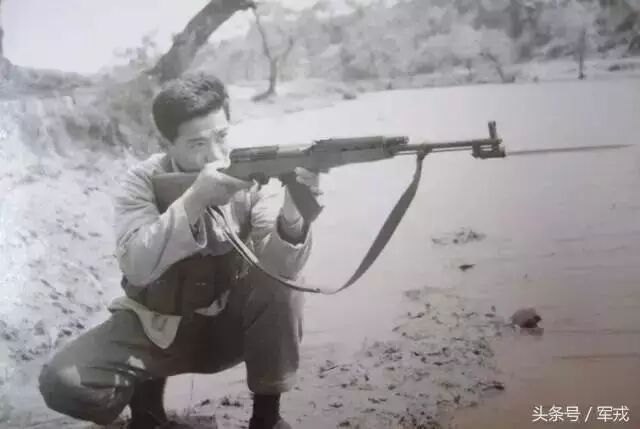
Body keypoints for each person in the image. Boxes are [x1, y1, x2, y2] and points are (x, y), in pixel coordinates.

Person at [37, 73, 322, 429]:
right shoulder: (141, 180)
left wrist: (293, 213)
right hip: (157, 334)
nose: (215, 155)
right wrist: (195, 199)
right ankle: (147, 413)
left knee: (282, 285)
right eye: (197, 144)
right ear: (167, 144)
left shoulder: (256, 174)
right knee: (61, 383)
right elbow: (137, 265)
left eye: (221, 136)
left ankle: (267, 417)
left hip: (234, 331)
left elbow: (282, 269)